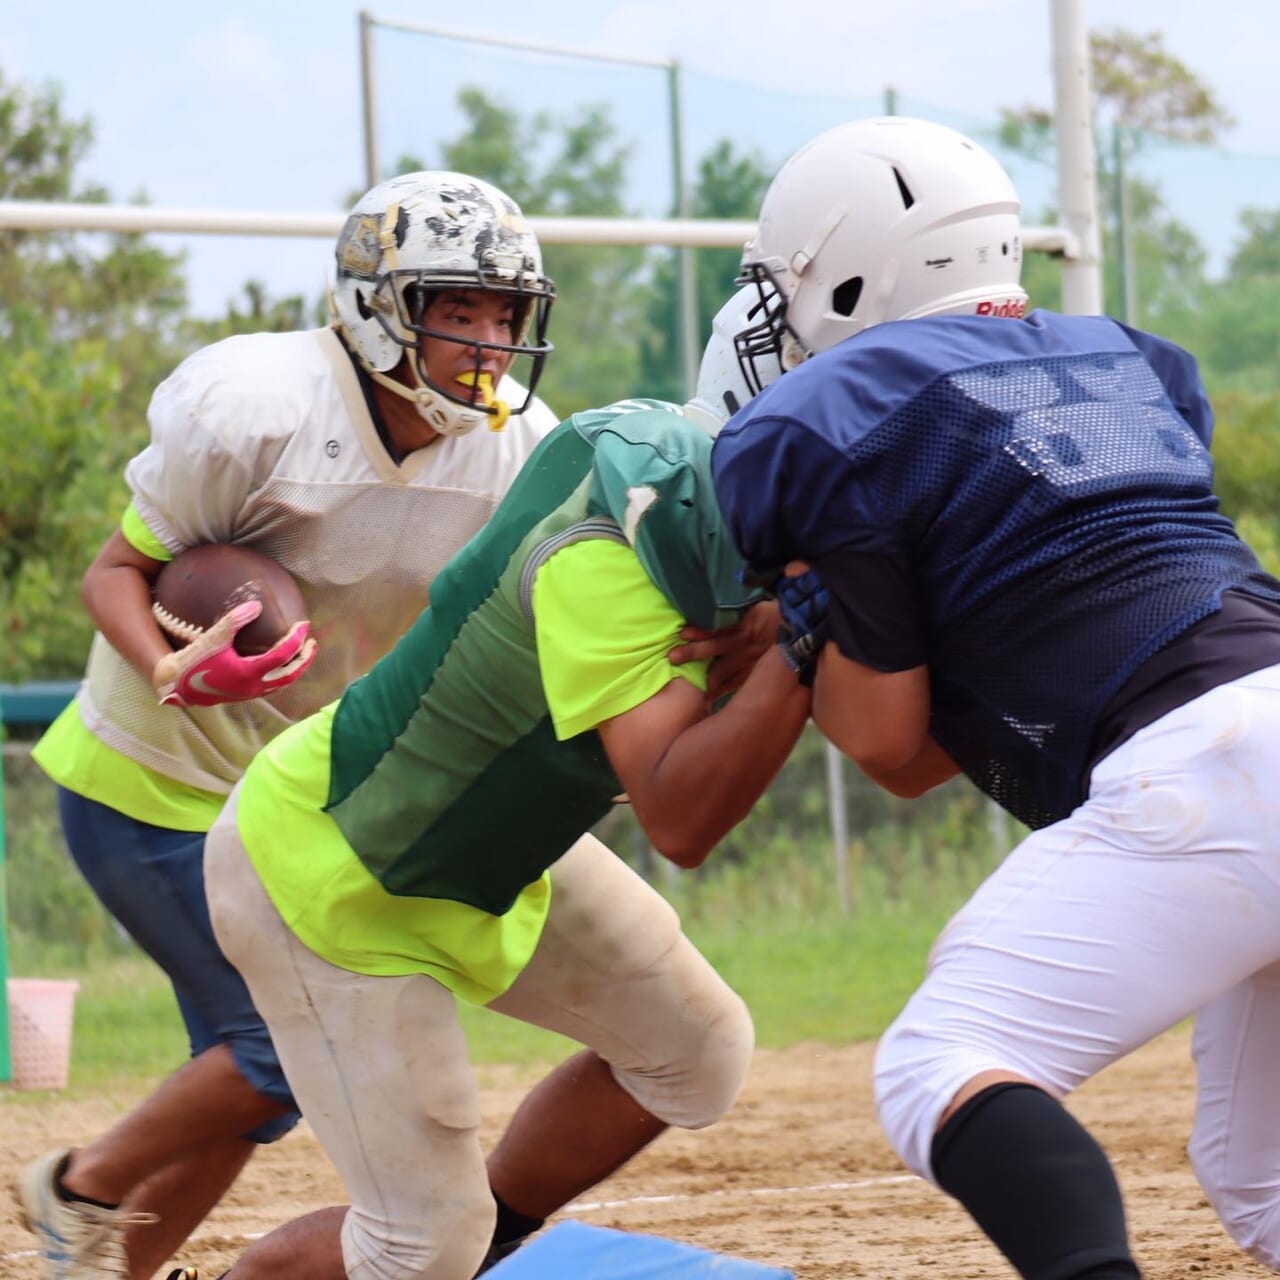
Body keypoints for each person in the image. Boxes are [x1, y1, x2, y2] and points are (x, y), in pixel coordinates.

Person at [711, 113, 1280, 1279]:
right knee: (1256, 1169)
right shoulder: (1128, 357)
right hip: (1251, 694)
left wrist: (807, 630)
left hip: (1203, 762)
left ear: (851, 267)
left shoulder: (830, 415)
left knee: (943, 1056)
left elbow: (889, 747)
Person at [171, 293, 809, 1280]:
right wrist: (800, 639)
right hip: (332, 863)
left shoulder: (722, 527)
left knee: (697, 1049)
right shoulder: (615, 543)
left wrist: (784, 621)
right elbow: (681, 813)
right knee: (418, 1240)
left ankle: (489, 1241)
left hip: (485, 845)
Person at [20, 169, 562, 1280]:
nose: (489, 339)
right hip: (145, 781)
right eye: (458, 307)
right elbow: (116, 569)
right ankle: (76, 1187)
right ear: (380, 306)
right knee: (265, 1056)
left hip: (275, 808)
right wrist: (169, 661)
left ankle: (102, 1268)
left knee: (248, 1086)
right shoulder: (258, 409)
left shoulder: (515, 448)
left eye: (505, 313)